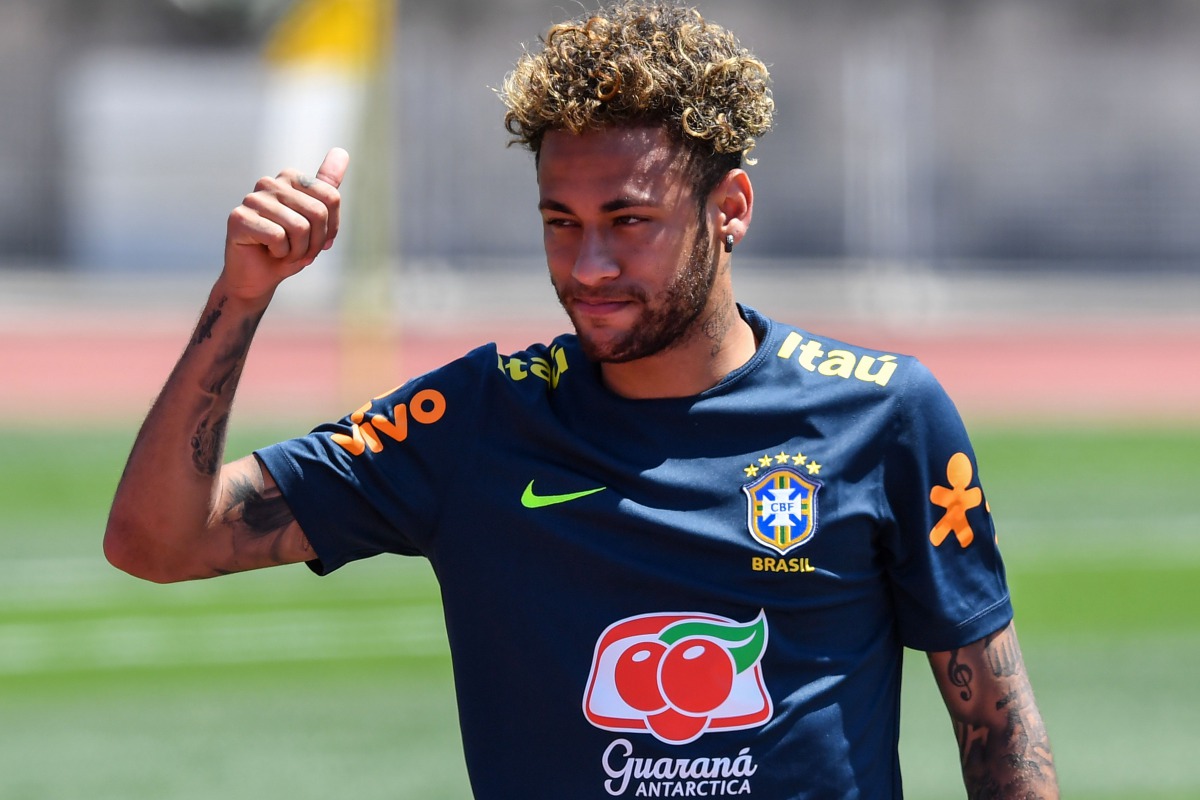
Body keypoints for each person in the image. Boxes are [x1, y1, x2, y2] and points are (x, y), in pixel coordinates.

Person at [104, 1, 1059, 797]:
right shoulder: (475, 422)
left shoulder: (886, 415)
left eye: (629, 222)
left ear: (729, 212)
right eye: (561, 223)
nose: (588, 264)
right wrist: (242, 297)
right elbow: (158, 541)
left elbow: (996, 728)